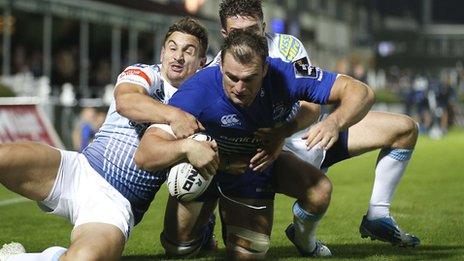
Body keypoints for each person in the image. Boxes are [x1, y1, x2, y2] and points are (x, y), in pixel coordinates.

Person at [135, 30, 374, 259]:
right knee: (179, 250)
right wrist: (186, 148)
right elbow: (145, 155)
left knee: (250, 254)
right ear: (220, 67)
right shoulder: (197, 91)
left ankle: (243, 218)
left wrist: (334, 122)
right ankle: (205, 221)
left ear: (266, 69)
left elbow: (360, 92)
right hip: (204, 169)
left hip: (252, 168)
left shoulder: (286, 74)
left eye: (249, 79)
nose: (239, 88)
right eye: (232, 77)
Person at [216, 0, 420, 250]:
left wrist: (332, 122)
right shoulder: (220, 67)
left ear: (264, 27)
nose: (246, 38)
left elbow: (312, 106)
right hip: (268, 155)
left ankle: (377, 215)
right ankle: (306, 242)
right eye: (237, 33)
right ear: (224, 34)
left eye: (253, 30)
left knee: (405, 129)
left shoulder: (287, 47)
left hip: (308, 134)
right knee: (248, 248)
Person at [0, 17, 208, 261]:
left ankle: (42, 257)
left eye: (188, 51)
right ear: (162, 53)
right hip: (78, 170)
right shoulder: (144, 73)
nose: (178, 56)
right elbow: (126, 101)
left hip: (115, 204)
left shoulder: (200, 105)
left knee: (83, 259)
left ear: (201, 63)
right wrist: (175, 116)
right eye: (172, 48)